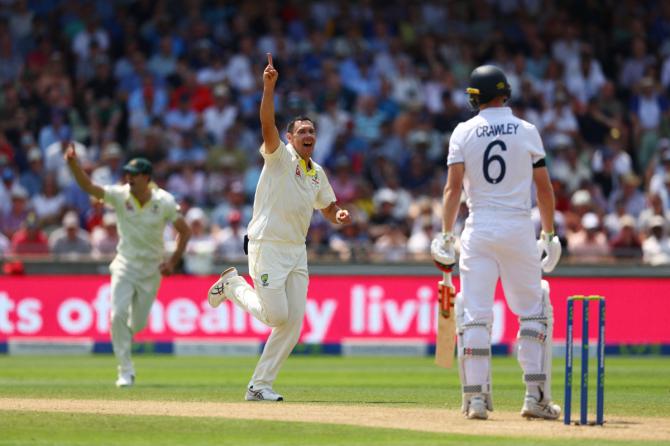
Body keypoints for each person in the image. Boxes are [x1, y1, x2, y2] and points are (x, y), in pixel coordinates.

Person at [207, 53, 351, 402]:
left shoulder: (317, 171)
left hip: (296, 250)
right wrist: (268, 87)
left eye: (311, 131)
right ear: (289, 137)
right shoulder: (279, 156)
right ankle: (232, 285)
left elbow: (328, 207)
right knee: (276, 317)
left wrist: (339, 216)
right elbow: (267, 124)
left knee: (293, 324)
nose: (308, 135)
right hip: (267, 245)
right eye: (301, 131)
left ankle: (259, 386)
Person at [431, 65, 562, 421]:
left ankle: (475, 401)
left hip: (479, 228)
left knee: (475, 314)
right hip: (519, 228)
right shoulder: (527, 130)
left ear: (474, 97)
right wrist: (549, 234)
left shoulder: (462, 132)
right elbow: (545, 189)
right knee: (534, 310)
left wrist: (445, 233)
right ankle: (534, 398)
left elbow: (452, 189)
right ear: (506, 93)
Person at [65, 145, 191, 387]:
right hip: (124, 264)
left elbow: (184, 232)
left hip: (152, 269)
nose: (128, 178)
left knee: (138, 323)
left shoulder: (163, 201)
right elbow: (90, 188)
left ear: (146, 177)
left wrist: (173, 261)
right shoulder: (120, 195)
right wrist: (73, 165)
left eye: (134, 174)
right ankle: (125, 370)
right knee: (117, 315)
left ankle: (124, 337)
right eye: (127, 174)